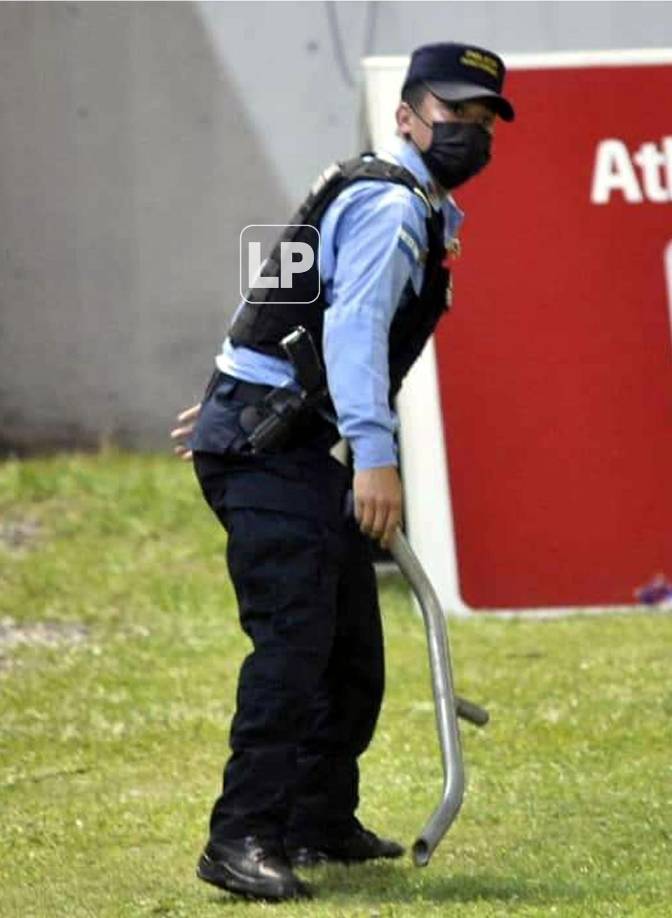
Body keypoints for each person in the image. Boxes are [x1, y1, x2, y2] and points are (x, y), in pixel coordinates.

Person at [171, 42, 515, 902]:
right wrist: (375, 455)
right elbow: (352, 332)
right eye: (451, 116)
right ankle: (243, 835)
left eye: (482, 121)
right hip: (273, 451)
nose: (467, 133)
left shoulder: (390, 196)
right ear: (406, 117)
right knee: (294, 645)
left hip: (267, 433)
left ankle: (318, 819)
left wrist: (229, 385)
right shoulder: (392, 210)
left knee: (352, 649)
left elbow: (288, 290)